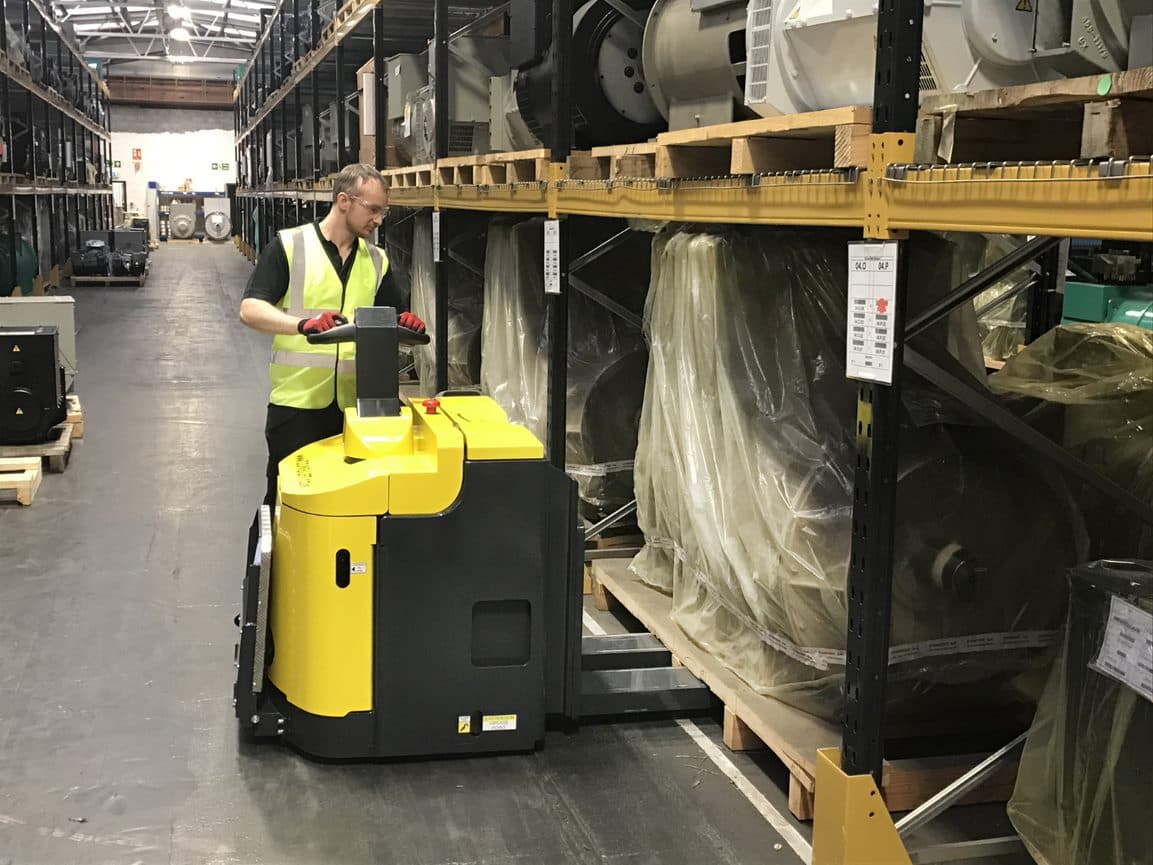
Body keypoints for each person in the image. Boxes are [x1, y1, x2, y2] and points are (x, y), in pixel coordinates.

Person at [239, 163, 426, 505]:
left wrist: (405, 323)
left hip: (356, 411)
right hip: (298, 407)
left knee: (349, 505)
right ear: (343, 201)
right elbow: (250, 309)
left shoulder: (377, 260)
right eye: (373, 209)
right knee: (285, 502)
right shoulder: (290, 246)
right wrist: (301, 325)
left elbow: (390, 318)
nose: (379, 220)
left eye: (382, 212)